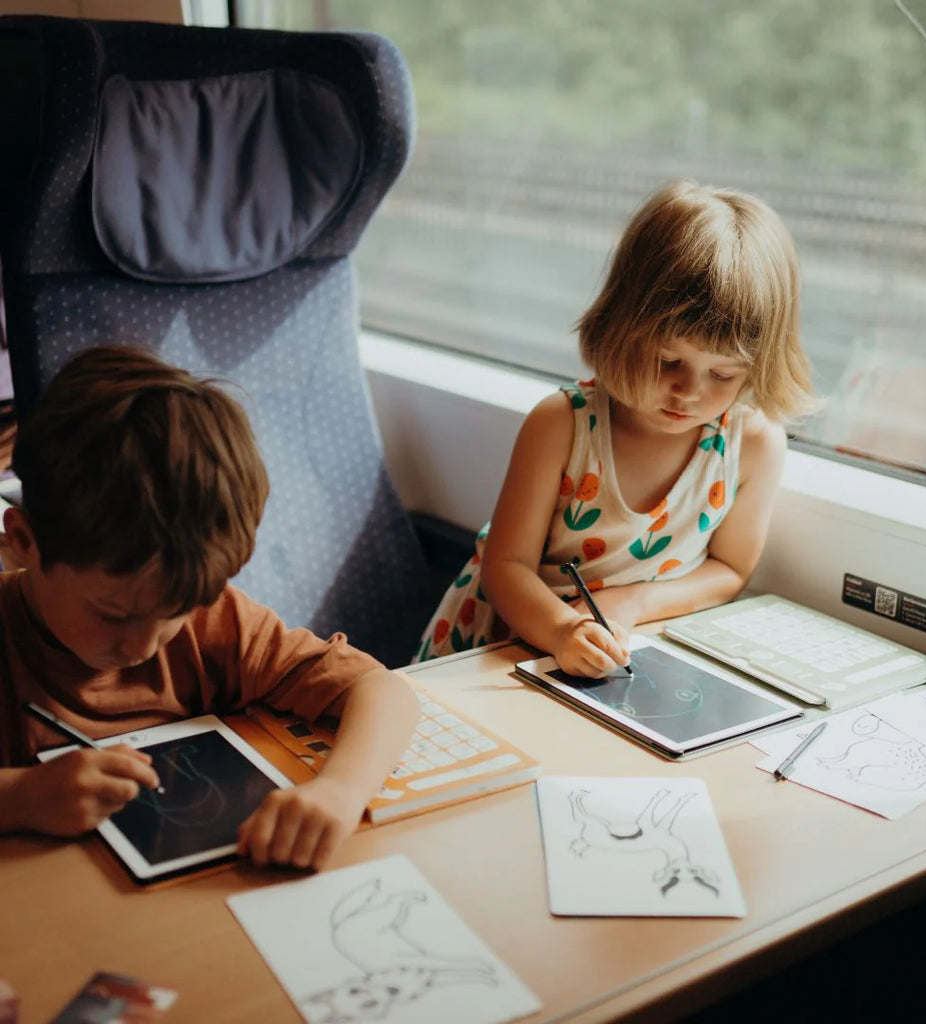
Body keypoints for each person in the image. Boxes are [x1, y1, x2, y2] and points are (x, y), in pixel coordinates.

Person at [0, 345, 419, 871]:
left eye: (176, 609)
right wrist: (19, 796)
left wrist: (339, 790)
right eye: (114, 613)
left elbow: (382, 690)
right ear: (23, 541)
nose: (143, 646)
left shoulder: (210, 624)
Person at [416, 179, 819, 677]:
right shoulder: (562, 425)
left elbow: (729, 571)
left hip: (621, 648)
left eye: (722, 374)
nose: (689, 392)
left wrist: (631, 605)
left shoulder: (753, 445)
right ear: (622, 327)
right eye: (667, 360)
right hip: (503, 648)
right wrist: (564, 631)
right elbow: (505, 567)